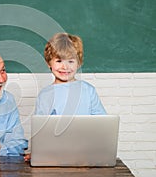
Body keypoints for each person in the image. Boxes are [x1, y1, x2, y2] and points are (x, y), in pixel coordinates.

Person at [24, 32, 106, 161]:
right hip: (54, 155)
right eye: (59, 60)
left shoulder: (88, 90)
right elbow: (40, 131)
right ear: (49, 63)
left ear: (78, 63)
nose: (65, 66)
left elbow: (103, 124)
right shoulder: (45, 95)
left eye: (71, 61)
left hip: (85, 154)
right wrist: (36, 151)